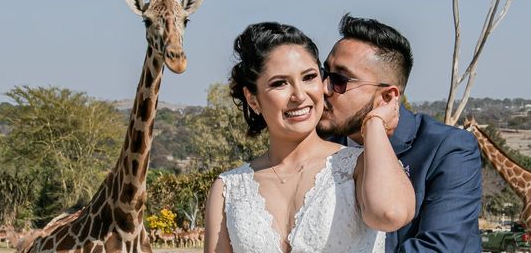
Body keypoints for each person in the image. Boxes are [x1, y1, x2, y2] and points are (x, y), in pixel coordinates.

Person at [205, 22, 415, 253]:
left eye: (309, 77)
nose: (299, 95)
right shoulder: (229, 188)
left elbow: (390, 214)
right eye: (279, 83)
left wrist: (374, 124)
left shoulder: (358, 166)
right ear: (253, 99)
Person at [317, 14, 483, 253]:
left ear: (386, 97)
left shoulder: (448, 149)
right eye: (325, 73)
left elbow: (437, 248)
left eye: (339, 80)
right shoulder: (323, 145)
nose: (324, 88)